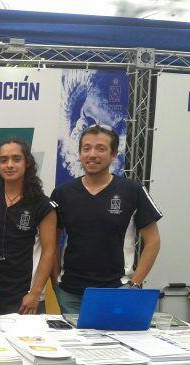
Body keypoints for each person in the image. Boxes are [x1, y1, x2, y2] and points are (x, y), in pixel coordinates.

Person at [50, 124, 162, 314]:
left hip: (116, 290)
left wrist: (134, 285)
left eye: (100, 148)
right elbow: (51, 243)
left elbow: (153, 242)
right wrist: (56, 284)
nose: (92, 154)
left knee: (114, 343)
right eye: (86, 148)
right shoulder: (62, 193)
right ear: (79, 153)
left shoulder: (132, 191)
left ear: (114, 154)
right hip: (70, 293)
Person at [0, 138, 57, 314]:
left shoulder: (42, 204)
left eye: (16, 159)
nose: (9, 165)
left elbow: (49, 251)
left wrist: (35, 293)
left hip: (26, 297)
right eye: (3, 160)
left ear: (27, 163)